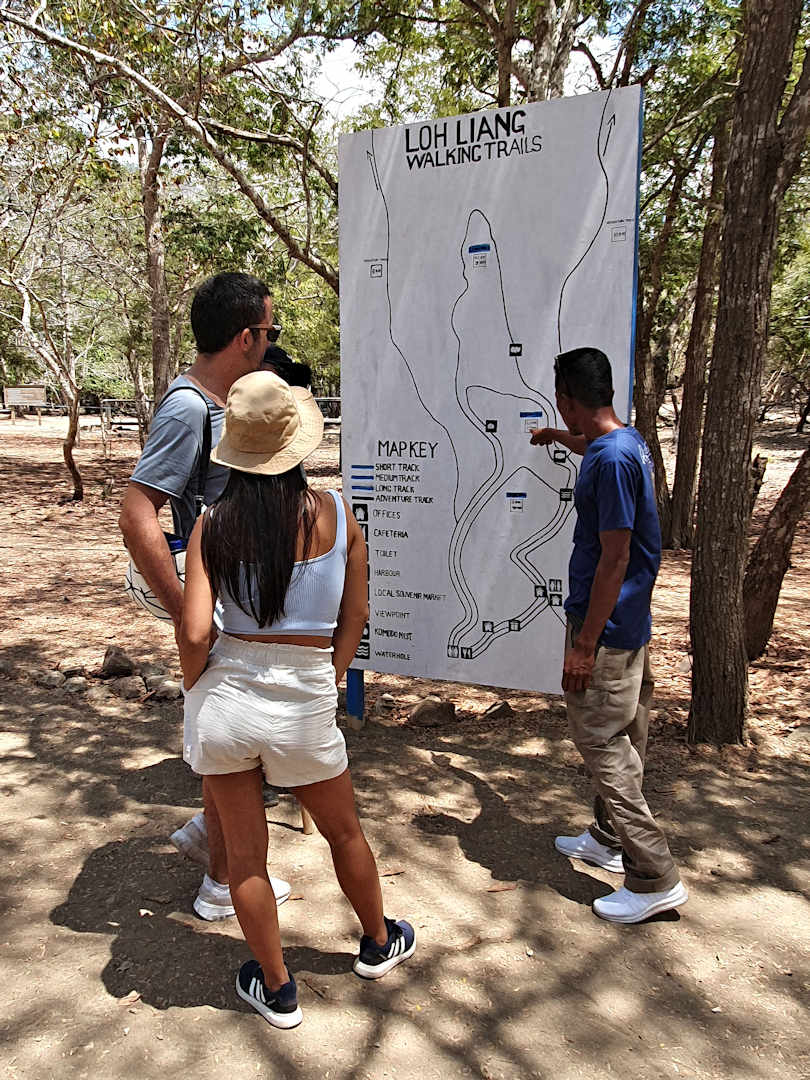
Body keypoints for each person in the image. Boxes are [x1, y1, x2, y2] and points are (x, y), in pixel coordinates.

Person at [179, 370, 414, 1028]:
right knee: (344, 832)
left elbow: (197, 632)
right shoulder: (338, 515)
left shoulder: (210, 526)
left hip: (226, 696)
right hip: (305, 693)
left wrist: (198, 685)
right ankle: (376, 941)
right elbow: (356, 615)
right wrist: (327, 674)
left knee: (247, 858)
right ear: (297, 445)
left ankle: (278, 989)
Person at [118, 272, 291, 920]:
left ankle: (205, 836)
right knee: (235, 749)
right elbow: (137, 512)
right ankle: (222, 885)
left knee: (236, 745)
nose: (271, 344)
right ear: (246, 337)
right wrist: (184, 605)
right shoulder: (189, 407)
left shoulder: (217, 404)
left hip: (238, 606)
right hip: (213, 608)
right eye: (269, 333)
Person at [531, 346, 687, 923]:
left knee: (600, 739)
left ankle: (653, 876)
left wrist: (583, 643)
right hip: (628, 623)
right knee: (627, 732)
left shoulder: (613, 461)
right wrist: (556, 437)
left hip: (609, 627)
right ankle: (607, 837)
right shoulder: (622, 443)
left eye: (559, 404)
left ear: (568, 398)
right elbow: (592, 445)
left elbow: (615, 557)